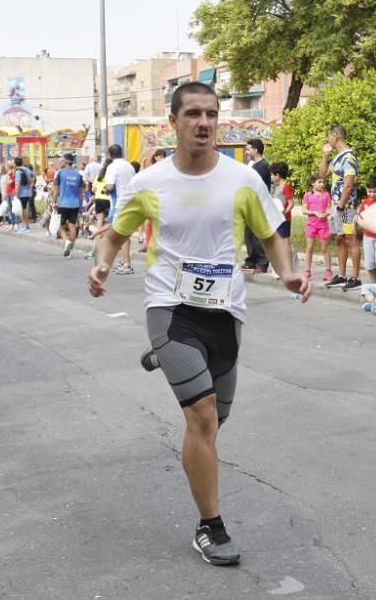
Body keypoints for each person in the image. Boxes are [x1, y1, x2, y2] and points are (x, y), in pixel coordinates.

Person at [88, 81, 311, 567]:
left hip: (224, 311)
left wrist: (288, 272)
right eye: (193, 114)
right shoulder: (150, 183)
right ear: (174, 122)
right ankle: (211, 526)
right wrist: (102, 263)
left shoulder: (242, 179)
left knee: (212, 425)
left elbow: (271, 235)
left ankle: (167, 360)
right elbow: (114, 234)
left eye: (211, 114)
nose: (204, 122)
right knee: (203, 415)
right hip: (169, 306)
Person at [320, 125, 361, 289]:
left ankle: (355, 277)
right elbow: (322, 174)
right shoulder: (337, 157)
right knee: (339, 239)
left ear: (336, 136)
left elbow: (349, 185)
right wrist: (325, 155)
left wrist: (341, 206)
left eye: (329, 137)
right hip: (336, 205)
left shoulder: (349, 158)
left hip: (346, 206)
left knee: (351, 240)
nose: (328, 140)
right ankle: (342, 275)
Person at [104, 144, 136, 274]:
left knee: (120, 234)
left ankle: (127, 263)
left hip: (119, 203)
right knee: (123, 234)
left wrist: (104, 189)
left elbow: (110, 186)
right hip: (131, 201)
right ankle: (124, 261)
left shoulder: (112, 167)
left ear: (110, 155)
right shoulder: (129, 166)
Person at [241, 139, 271, 274]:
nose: (246, 152)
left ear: (256, 150)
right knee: (248, 234)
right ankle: (251, 260)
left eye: (248, 149)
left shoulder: (263, 165)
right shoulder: (251, 164)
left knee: (258, 235)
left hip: (259, 204)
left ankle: (262, 263)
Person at [52, 153, 85, 258]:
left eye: (62, 160)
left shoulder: (60, 173)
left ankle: (66, 241)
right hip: (74, 204)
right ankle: (70, 251)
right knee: (72, 226)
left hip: (63, 203)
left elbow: (56, 190)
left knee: (61, 227)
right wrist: (80, 205)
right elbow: (81, 193)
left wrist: (53, 202)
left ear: (65, 162)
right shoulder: (78, 175)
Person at [356, 176, 376, 284]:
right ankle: (374, 284)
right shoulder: (364, 203)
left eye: (375, 191)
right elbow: (360, 217)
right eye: (370, 191)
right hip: (368, 237)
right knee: (369, 263)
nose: (372, 194)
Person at [301, 175, 332, 280]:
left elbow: (329, 209)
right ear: (313, 183)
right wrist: (314, 213)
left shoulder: (326, 195)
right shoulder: (307, 195)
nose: (322, 184)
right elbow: (304, 210)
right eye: (319, 182)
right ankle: (307, 271)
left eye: (323, 182)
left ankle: (328, 271)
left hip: (323, 225)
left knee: (325, 248)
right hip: (311, 224)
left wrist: (325, 214)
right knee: (309, 248)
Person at [13, 157, 34, 233]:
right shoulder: (26, 169)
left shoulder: (18, 172)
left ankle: (26, 226)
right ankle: (26, 226)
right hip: (28, 192)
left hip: (21, 193)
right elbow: (33, 175)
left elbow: (17, 184)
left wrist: (16, 193)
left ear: (15, 164)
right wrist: (31, 184)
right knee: (25, 209)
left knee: (22, 210)